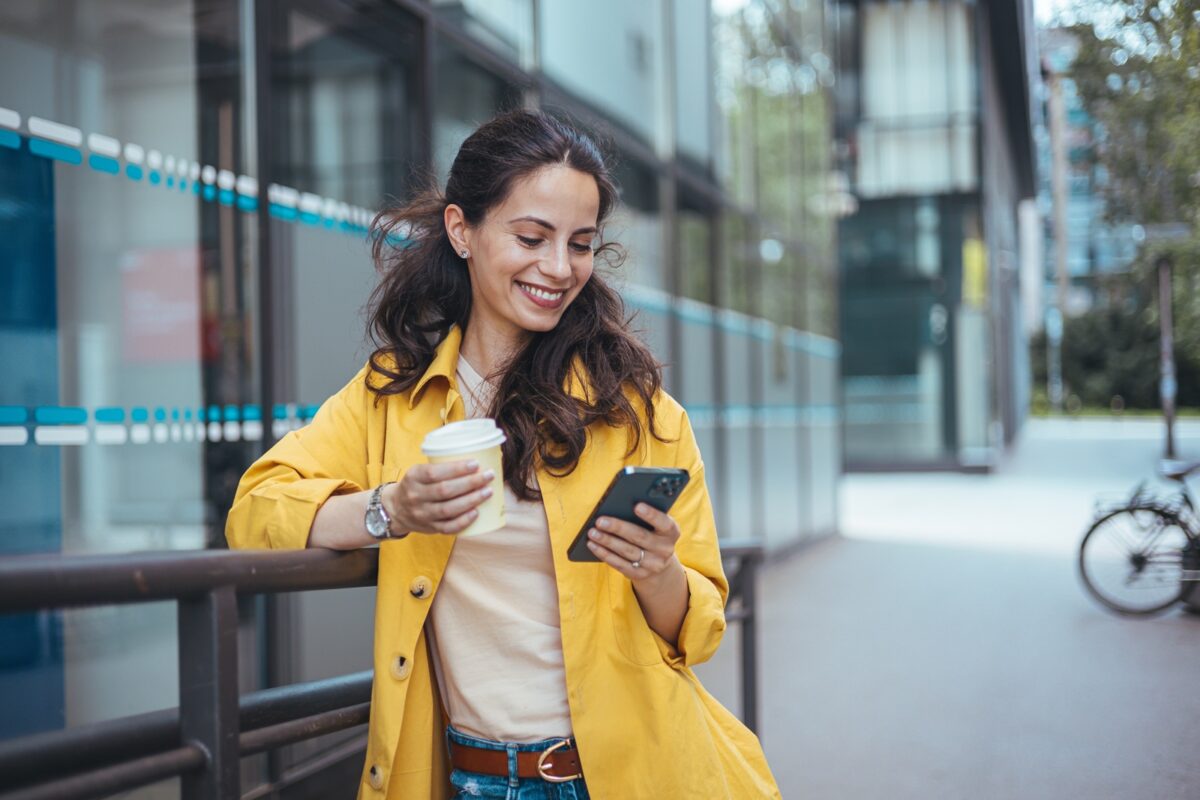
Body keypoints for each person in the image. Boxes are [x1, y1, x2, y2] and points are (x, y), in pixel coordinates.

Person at [225, 109, 780, 800]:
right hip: (470, 780)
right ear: (462, 230)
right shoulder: (393, 394)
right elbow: (254, 512)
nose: (559, 268)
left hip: (630, 775)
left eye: (581, 244)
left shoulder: (638, 411)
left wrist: (657, 570)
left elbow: (699, 632)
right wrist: (390, 509)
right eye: (531, 237)